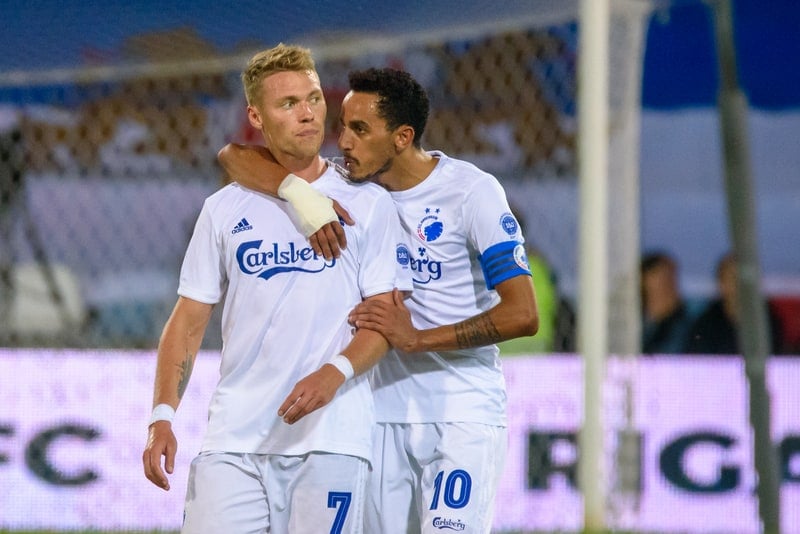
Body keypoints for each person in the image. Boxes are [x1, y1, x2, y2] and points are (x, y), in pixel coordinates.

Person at [218, 67, 538, 533]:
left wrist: (416, 339)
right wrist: (295, 194)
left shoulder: (471, 192)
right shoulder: (350, 186)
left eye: (360, 130)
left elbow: (523, 313)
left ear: (402, 136)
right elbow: (233, 155)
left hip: (460, 412)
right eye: (343, 126)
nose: (344, 142)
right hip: (377, 413)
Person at [141, 44, 411, 533]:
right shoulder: (223, 209)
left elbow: (385, 320)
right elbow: (187, 321)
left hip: (331, 440)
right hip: (233, 441)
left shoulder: (368, 204)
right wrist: (162, 415)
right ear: (256, 115)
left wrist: (335, 372)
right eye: (288, 104)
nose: (307, 114)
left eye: (312, 98)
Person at [685, 251, 783, 355]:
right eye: (732, 278)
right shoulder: (705, 325)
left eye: (743, 279)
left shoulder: (767, 321)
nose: (738, 284)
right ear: (720, 283)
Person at [640, 250, 694, 354]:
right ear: (643, 281)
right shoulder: (631, 321)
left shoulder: (686, 327)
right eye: (660, 277)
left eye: (671, 277)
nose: (668, 284)